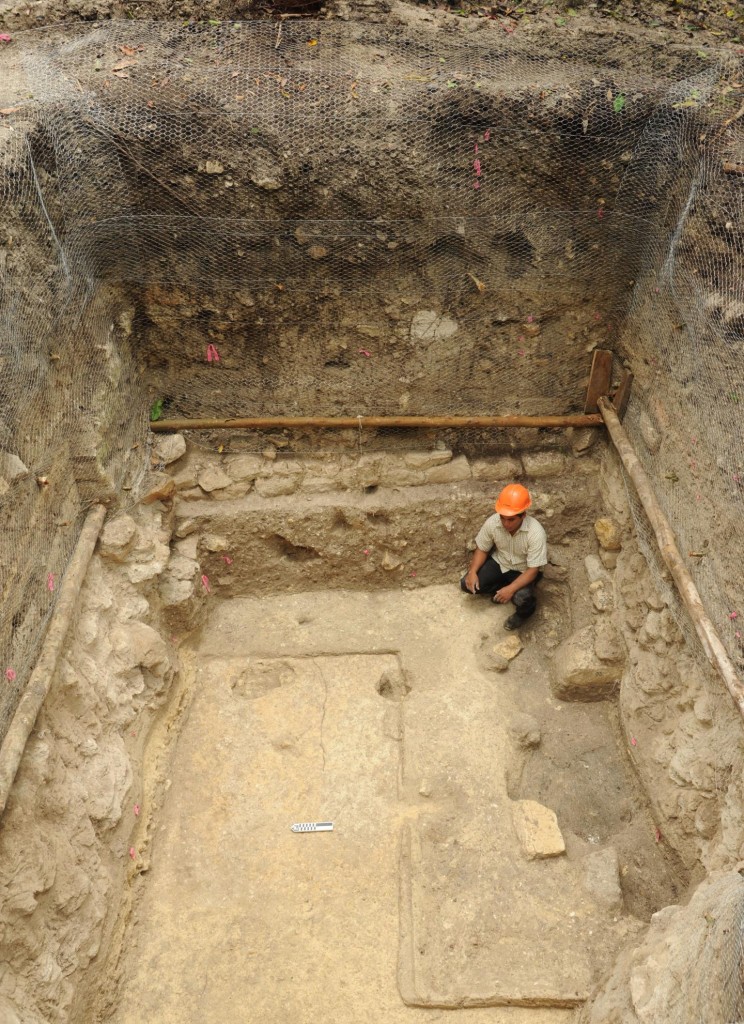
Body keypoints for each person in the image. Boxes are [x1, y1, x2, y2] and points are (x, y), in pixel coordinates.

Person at [461, 483, 548, 630]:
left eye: (511, 519)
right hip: (500, 562)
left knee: (522, 598)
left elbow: (533, 570)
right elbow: (482, 549)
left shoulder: (535, 533)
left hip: (523, 571)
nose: (506, 523)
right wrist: (473, 572)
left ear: (523, 515)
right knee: (466, 584)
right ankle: (500, 591)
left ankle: (522, 614)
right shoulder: (493, 523)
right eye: (503, 518)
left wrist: (512, 589)